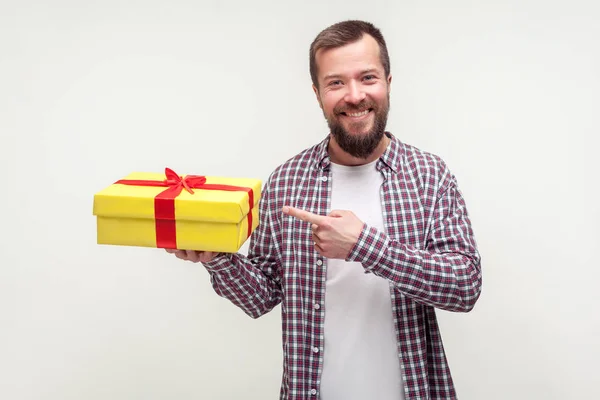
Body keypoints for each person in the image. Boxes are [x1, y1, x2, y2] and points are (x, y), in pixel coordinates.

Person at [167, 20, 482, 400]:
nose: (354, 95)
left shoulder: (429, 175)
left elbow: (465, 287)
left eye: (367, 77)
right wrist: (216, 257)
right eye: (336, 83)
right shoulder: (286, 181)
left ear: (388, 82)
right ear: (318, 94)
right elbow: (261, 296)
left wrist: (364, 245)